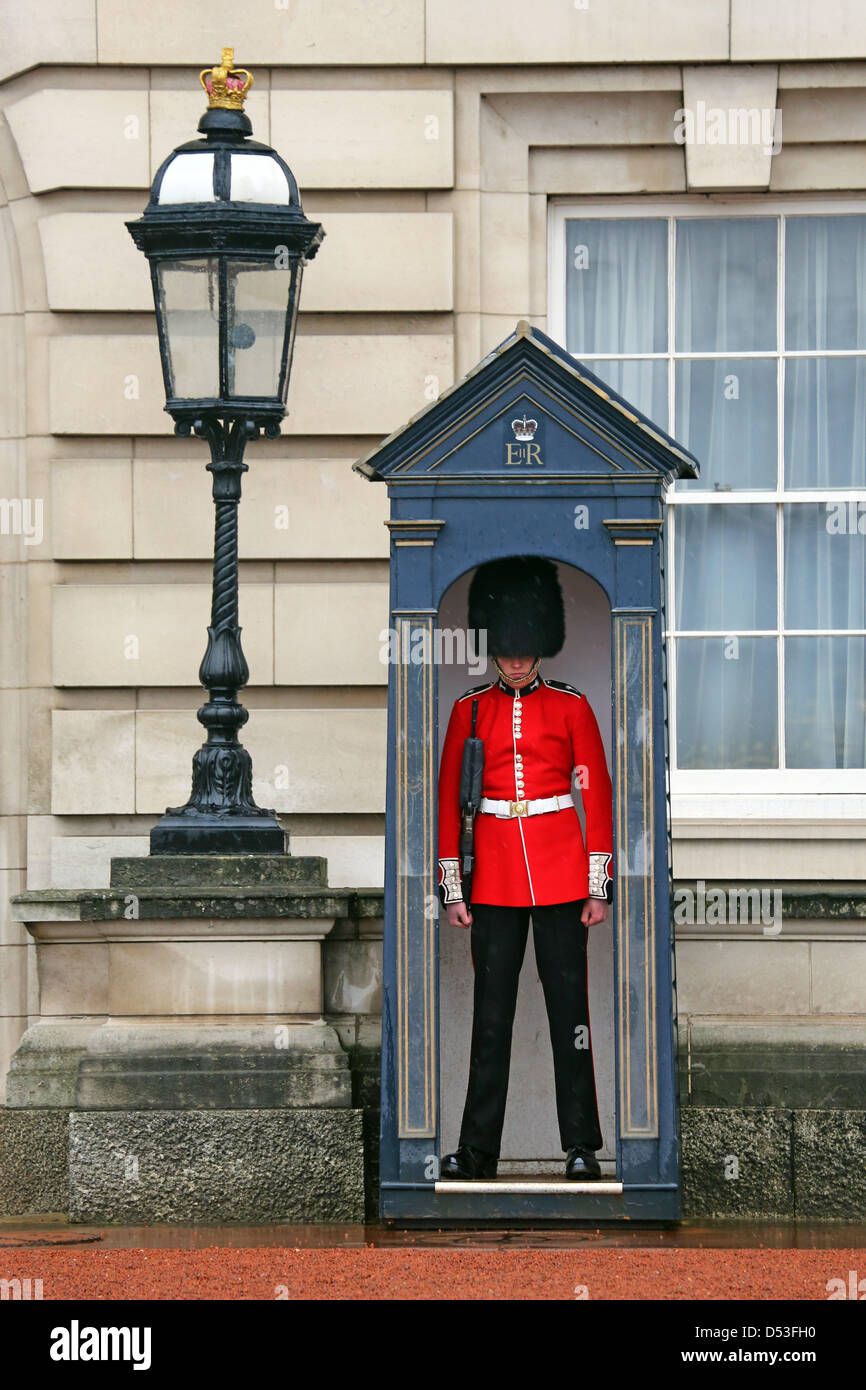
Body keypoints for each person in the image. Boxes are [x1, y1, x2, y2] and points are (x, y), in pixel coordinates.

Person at [437, 556, 613, 1182]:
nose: (514, 661)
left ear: (539, 647)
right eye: (506, 651)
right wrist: (453, 886)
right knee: (492, 1016)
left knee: (571, 1014)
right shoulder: (470, 710)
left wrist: (598, 883)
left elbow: (594, 792)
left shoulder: (570, 707)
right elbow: (448, 800)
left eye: (523, 650)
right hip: (494, 877)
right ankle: (478, 1149)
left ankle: (581, 1146)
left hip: (562, 871)